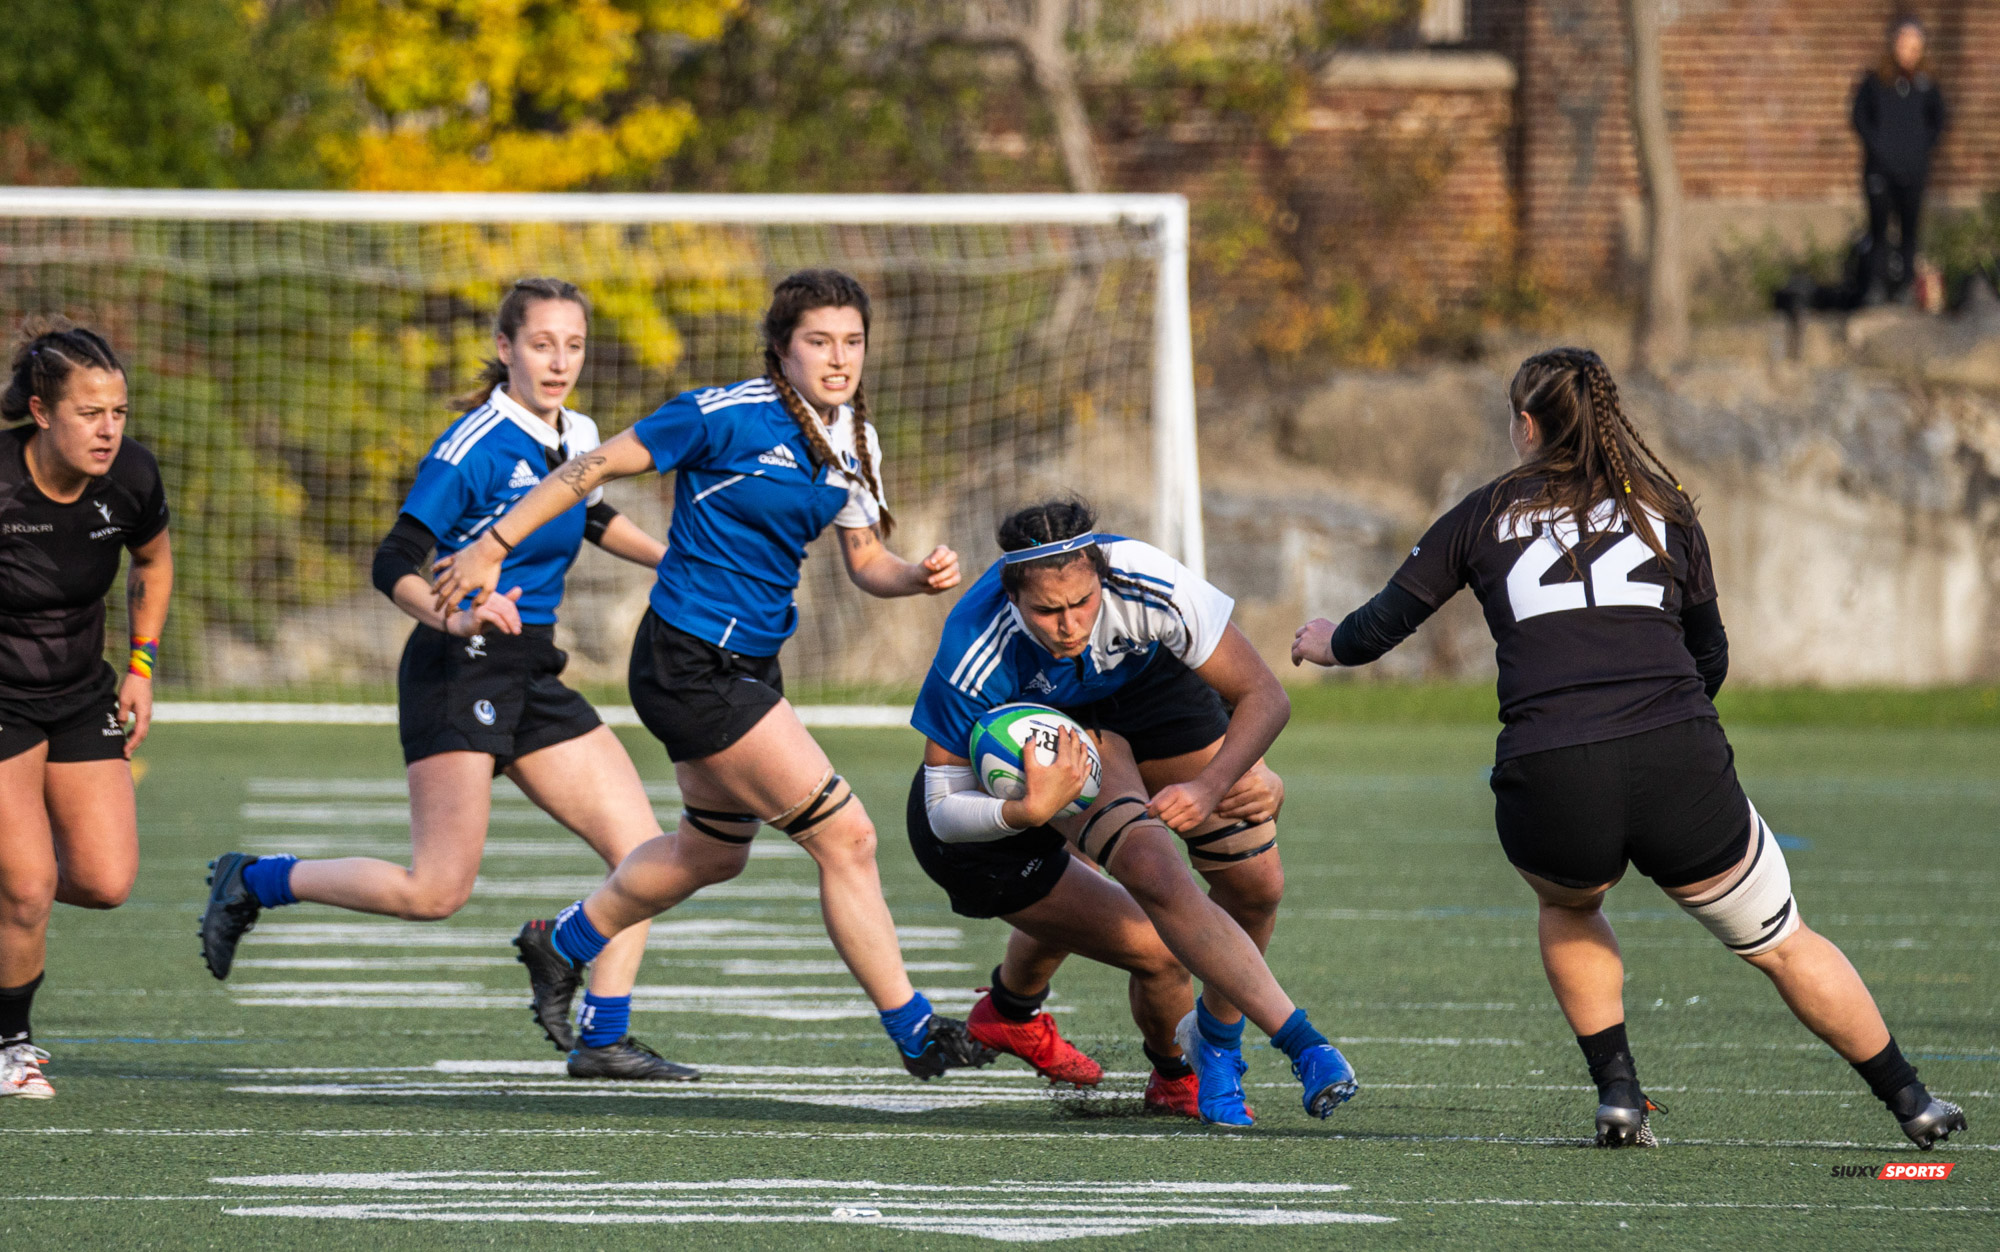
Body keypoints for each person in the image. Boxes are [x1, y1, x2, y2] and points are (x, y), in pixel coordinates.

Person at [1293, 347, 1968, 1151]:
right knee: (1782, 940)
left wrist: (1326, 642)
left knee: (1570, 903)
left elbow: (1375, 631)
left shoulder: (1482, 513)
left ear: (1528, 424)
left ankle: (1619, 1093)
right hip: (1673, 752)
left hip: (1553, 767)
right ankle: (1911, 1099)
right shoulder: (1665, 504)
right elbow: (1709, 653)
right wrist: (1667, 735)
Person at [432, 269, 994, 1079]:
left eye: (853, 342)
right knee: (848, 835)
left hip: (750, 664)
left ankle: (562, 943)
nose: (839, 359)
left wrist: (916, 576)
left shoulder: (855, 439)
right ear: (781, 349)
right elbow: (586, 470)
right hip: (688, 660)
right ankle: (914, 1030)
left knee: (712, 852)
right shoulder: (721, 415)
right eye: (819, 342)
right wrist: (491, 545)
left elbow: (865, 560)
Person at [198, 279, 693, 1081]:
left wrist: (674, 560)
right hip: (454, 665)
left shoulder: (582, 433)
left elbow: (592, 517)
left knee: (644, 854)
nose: (559, 360)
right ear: (505, 349)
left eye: (573, 344)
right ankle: (254, 880)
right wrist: (453, 617)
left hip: (531, 663)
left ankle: (603, 1037)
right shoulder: (473, 444)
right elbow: (392, 559)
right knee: (435, 890)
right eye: (541, 343)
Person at [907, 498, 1355, 1127]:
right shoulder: (975, 642)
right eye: (1046, 610)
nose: (1068, 624)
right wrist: (1027, 810)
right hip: (1061, 737)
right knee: (1154, 884)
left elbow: (1265, 694)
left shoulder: (1147, 581)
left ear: (1102, 576)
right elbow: (941, 806)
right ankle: (1286, 1046)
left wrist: (1215, 781)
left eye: (1081, 603)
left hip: (1144, 689)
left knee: (1256, 886)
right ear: (1012, 598)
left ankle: (1199, 1044)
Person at [0, 321, 172, 1099]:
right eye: (90, 414)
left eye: (120, 413)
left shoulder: (131, 478)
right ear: (40, 412)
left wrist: (140, 665)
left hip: (80, 695)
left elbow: (153, 562)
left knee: (104, 881)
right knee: (29, 885)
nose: (109, 431)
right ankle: (11, 1046)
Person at [1851, 15, 1947, 305]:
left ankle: (1906, 291)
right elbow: (1859, 119)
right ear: (1894, 45)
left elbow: (1939, 122)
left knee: (1909, 232)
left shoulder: (1926, 85)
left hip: (1913, 171)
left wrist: (1919, 150)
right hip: (1880, 170)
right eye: (1905, 46)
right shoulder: (1875, 82)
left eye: (1915, 48)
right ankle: (1875, 289)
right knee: (1878, 230)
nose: (1909, 53)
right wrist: (1880, 149)